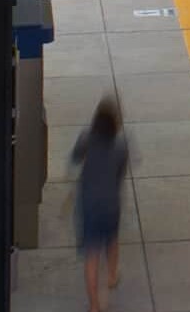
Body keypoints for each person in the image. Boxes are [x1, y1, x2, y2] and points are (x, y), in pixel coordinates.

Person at [70, 99, 128, 312]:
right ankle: (112, 275)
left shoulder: (86, 138)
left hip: (90, 205)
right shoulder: (121, 146)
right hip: (112, 203)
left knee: (92, 255)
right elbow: (120, 174)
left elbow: (75, 158)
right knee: (112, 240)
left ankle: (94, 305)